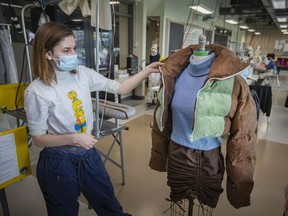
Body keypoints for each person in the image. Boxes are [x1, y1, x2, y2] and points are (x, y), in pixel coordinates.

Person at [24, 22, 163, 216]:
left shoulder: (82, 74)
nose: (73, 54)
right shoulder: (37, 91)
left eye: (74, 48)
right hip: (58, 162)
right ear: (48, 54)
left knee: (110, 206)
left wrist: (147, 71)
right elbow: (38, 139)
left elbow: (120, 88)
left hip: (88, 156)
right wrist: (74, 137)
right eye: (66, 50)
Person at [149, 43, 257, 210]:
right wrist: (158, 156)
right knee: (177, 209)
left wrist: (239, 187)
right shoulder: (172, 74)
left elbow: (244, 136)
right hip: (177, 156)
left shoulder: (233, 81)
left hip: (209, 160)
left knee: (203, 210)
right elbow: (161, 121)